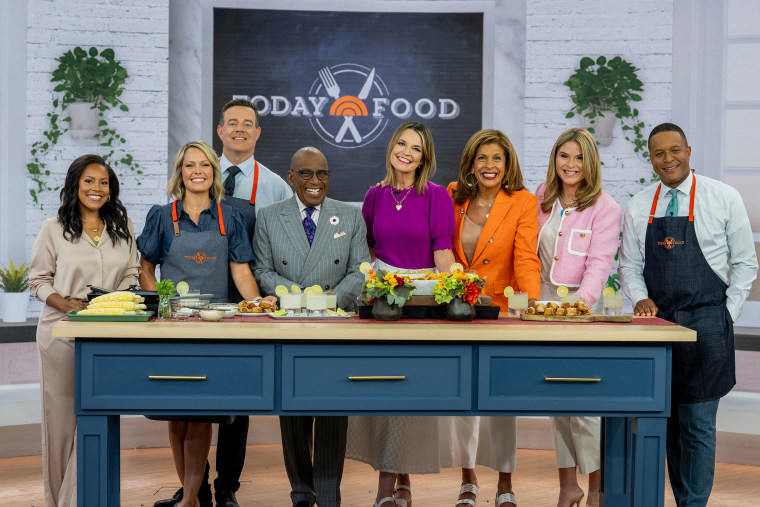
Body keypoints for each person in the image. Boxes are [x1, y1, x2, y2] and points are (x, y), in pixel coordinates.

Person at [155, 97, 292, 507]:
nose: (239, 129)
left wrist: (265, 302)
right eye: (232, 122)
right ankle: (190, 488)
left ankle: (226, 487)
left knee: (234, 408)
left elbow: (263, 256)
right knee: (188, 405)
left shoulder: (274, 186)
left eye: (248, 123)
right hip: (193, 306)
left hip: (240, 303)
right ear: (220, 130)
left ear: (257, 132)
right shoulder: (191, 181)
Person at [619, 123, 757, 506]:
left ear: (689, 150)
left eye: (675, 150)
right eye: (659, 153)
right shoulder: (638, 204)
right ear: (651, 159)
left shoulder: (723, 197)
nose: (668, 159)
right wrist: (640, 298)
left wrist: (725, 313)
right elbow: (628, 266)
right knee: (666, 426)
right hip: (658, 328)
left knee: (697, 425)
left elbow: (746, 264)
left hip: (707, 326)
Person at [253, 146, 370, 507]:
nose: (315, 181)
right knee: (293, 412)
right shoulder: (270, 217)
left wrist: (328, 301)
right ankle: (302, 493)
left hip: (335, 324)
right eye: (305, 173)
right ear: (291, 178)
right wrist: (296, 297)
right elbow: (262, 270)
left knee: (333, 410)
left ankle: (330, 494)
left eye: (322, 173)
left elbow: (360, 270)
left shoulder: (349, 216)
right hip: (289, 324)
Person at [347, 121, 455, 507]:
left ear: (424, 158)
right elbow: (370, 253)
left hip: (421, 305)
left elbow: (443, 253)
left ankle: (383, 492)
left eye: (416, 148)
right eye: (402, 144)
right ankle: (400, 480)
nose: (406, 152)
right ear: (392, 147)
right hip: (383, 304)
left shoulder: (437, 196)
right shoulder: (374, 195)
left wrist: (457, 291)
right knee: (386, 393)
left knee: (408, 394)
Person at [29, 154, 140, 507]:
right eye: (89, 181)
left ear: (112, 189)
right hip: (60, 332)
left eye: (104, 182)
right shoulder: (53, 228)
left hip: (107, 332)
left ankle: (83, 497)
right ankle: (58, 500)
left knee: (97, 414)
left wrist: (112, 303)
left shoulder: (122, 225)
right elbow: (38, 281)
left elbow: (132, 273)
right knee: (60, 422)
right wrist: (67, 305)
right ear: (75, 185)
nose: (97, 189)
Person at [444, 129, 541, 507]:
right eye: (481, 158)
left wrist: (530, 304)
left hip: (502, 311)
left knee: (501, 401)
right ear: (471, 163)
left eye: (497, 159)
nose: (489, 166)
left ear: (507, 164)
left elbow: (526, 257)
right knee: (463, 400)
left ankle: (505, 481)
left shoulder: (522, 201)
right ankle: (468, 479)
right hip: (456, 311)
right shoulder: (452, 195)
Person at [536, 128, 621, 507]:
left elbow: (599, 265)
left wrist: (577, 307)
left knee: (586, 408)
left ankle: (598, 488)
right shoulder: (540, 196)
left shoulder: (607, 207)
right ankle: (567, 487)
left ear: (591, 162)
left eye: (578, 157)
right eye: (563, 156)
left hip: (580, 312)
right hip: (540, 308)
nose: (570, 164)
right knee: (558, 404)